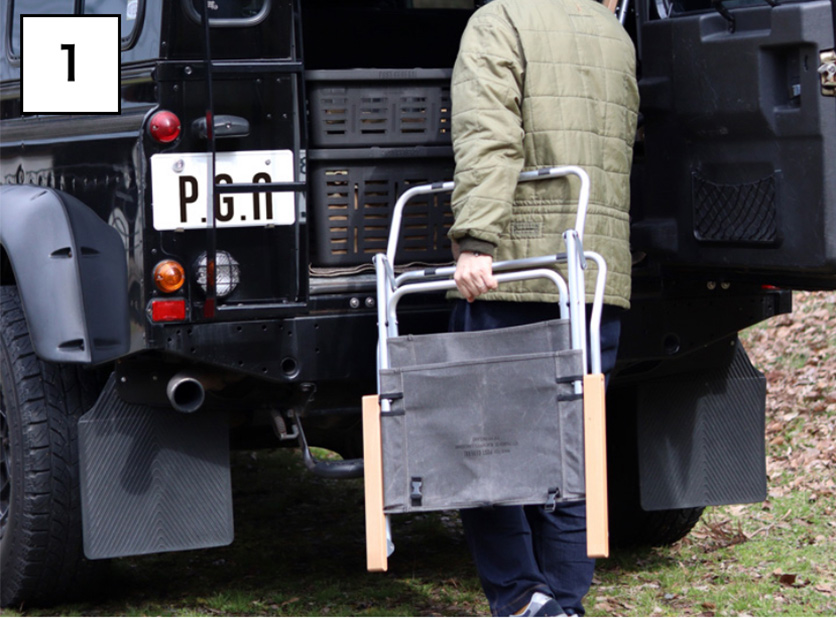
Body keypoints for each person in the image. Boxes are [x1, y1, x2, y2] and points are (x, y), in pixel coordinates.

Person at [447, 0, 640, 616]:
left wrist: (476, 239)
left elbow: (489, 137)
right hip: (592, 270)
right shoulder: (612, 31)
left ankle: (523, 599)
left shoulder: (498, 19)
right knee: (571, 443)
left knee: (485, 449)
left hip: (517, 270)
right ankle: (564, 600)